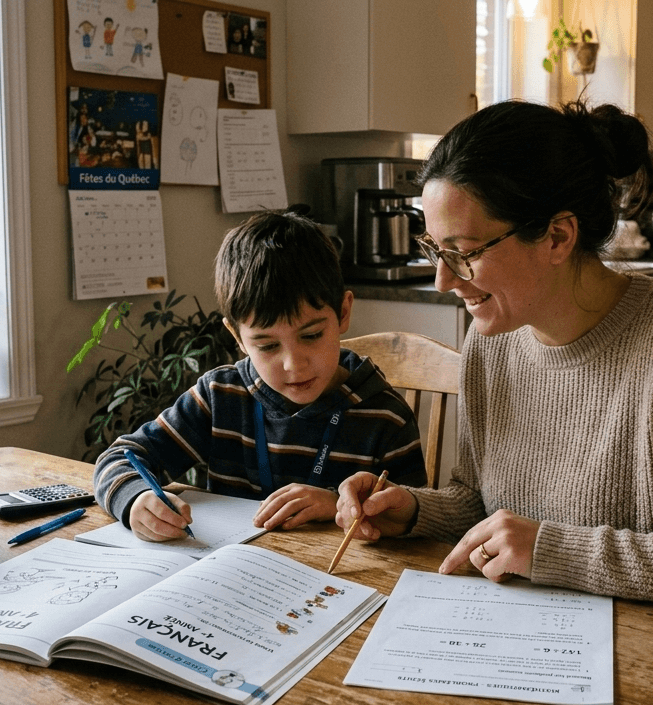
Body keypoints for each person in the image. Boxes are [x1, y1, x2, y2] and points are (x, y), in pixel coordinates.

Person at [334, 100, 653, 612]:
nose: (443, 280)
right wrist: (413, 510)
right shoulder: (489, 342)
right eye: (435, 250)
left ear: (557, 236)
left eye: (464, 252)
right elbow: (483, 505)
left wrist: (553, 550)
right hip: (523, 637)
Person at [94, 208, 426, 541]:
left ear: (342, 312)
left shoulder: (386, 417)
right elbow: (120, 458)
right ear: (237, 338)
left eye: (310, 336)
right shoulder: (219, 397)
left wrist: (339, 505)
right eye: (267, 346)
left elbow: (413, 525)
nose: (294, 365)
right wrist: (136, 499)